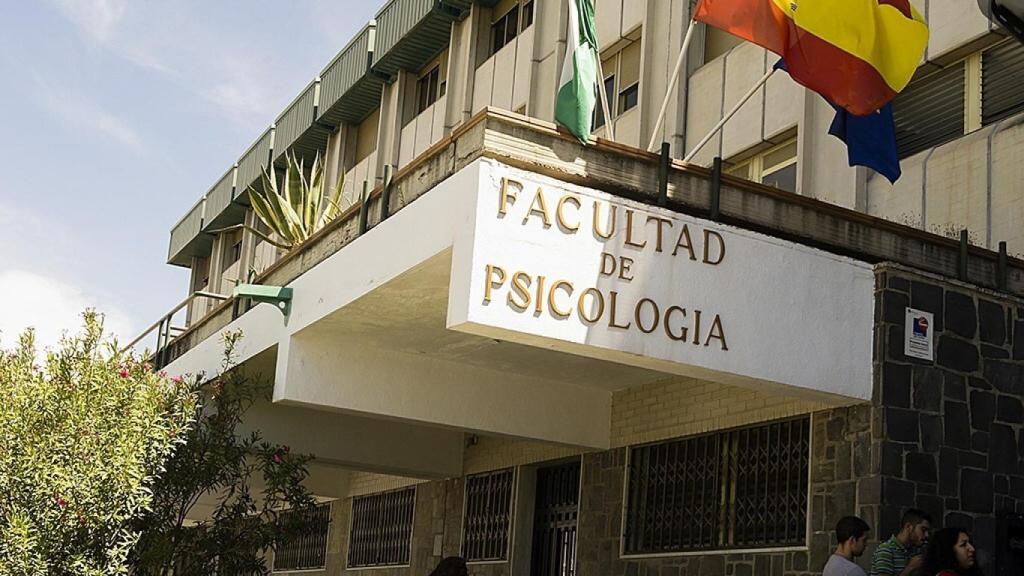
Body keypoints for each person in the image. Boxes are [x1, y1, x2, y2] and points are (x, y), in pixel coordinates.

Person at [870, 509, 933, 576]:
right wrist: (910, 568)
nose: (927, 535)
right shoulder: (886, 550)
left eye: (928, 532)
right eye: (923, 530)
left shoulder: (916, 551)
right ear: (908, 527)